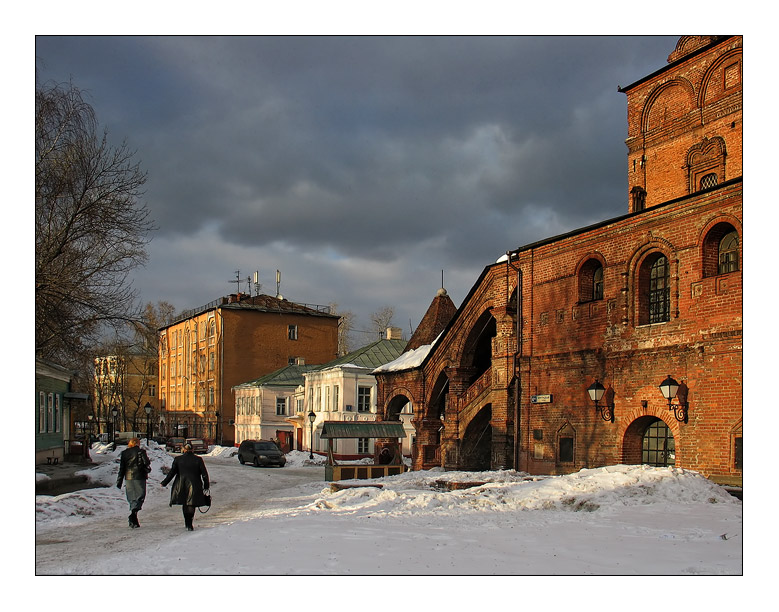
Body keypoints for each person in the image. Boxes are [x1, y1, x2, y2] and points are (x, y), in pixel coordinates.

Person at [160, 442, 210, 531]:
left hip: (181, 484)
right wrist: (206, 485)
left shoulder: (178, 459)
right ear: (193, 449)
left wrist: (164, 482)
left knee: (185, 503)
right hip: (195, 484)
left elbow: (172, 473)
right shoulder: (198, 459)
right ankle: (190, 523)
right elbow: (204, 474)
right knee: (192, 504)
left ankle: (187, 522)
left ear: (183, 449)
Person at [116, 437, 152, 529]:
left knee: (131, 496)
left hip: (128, 477)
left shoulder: (124, 453)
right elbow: (146, 462)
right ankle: (133, 514)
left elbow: (122, 468)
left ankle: (133, 515)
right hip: (139, 476)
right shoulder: (141, 452)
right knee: (140, 495)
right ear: (138, 443)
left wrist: (119, 481)